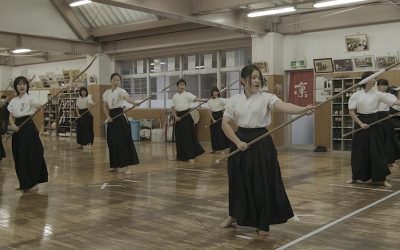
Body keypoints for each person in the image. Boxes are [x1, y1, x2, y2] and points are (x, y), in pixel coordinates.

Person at [220, 64, 315, 236]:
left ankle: (263, 222)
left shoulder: (267, 98)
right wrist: (238, 141)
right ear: (243, 80)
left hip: (261, 142)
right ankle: (234, 214)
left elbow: (284, 106)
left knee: (261, 183)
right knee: (238, 182)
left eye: (258, 77)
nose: (257, 80)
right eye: (253, 77)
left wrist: (302, 109)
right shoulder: (233, 100)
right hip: (240, 141)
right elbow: (225, 124)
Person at [347, 72, 400, 188]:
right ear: (366, 80)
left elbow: (395, 102)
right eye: (373, 78)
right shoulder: (356, 95)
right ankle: (355, 176)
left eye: (375, 78)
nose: (375, 80)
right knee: (358, 151)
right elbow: (351, 111)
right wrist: (360, 124)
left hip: (374, 122)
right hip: (360, 123)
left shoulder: (378, 94)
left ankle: (381, 179)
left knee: (377, 150)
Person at [8, 76, 48, 192]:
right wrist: (13, 126)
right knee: (19, 157)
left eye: (24, 84)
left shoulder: (30, 98)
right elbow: (11, 116)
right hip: (18, 131)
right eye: (19, 84)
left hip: (28, 130)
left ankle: (34, 183)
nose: (22, 86)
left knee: (32, 155)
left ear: (27, 86)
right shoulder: (13, 101)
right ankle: (24, 183)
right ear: (16, 86)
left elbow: (35, 105)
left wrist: (39, 106)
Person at [103, 73, 139, 174]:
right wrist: (108, 117)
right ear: (111, 81)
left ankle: (128, 167)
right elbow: (105, 106)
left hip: (120, 117)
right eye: (114, 80)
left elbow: (128, 98)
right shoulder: (106, 93)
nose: (116, 82)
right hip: (111, 119)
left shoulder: (121, 91)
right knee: (112, 142)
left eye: (118, 80)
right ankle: (114, 166)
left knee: (123, 141)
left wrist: (134, 102)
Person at [171, 79, 206, 163]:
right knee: (179, 137)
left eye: (183, 84)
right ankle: (180, 156)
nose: (182, 86)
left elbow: (195, 99)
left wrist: (203, 100)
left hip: (186, 116)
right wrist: (175, 117)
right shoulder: (175, 96)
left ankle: (190, 156)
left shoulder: (187, 94)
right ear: (177, 86)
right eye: (180, 84)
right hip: (178, 117)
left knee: (188, 137)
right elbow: (172, 108)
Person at [376, 79, 400, 168]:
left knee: (389, 140)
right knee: (378, 141)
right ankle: (380, 160)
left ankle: (391, 161)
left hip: (385, 117)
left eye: (386, 85)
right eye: (382, 85)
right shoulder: (374, 94)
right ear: (378, 85)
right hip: (375, 118)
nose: (384, 87)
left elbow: (397, 105)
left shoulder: (390, 95)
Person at [207, 87, 230, 154]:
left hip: (220, 116)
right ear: (212, 93)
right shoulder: (210, 101)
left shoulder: (221, 100)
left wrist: (224, 115)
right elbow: (209, 111)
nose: (215, 92)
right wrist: (213, 119)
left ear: (218, 92)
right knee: (213, 133)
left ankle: (222, 149)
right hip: (213, 118)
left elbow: (226, 107)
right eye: (213, 91)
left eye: (216, 91)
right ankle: (214, 148)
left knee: (221, 133)